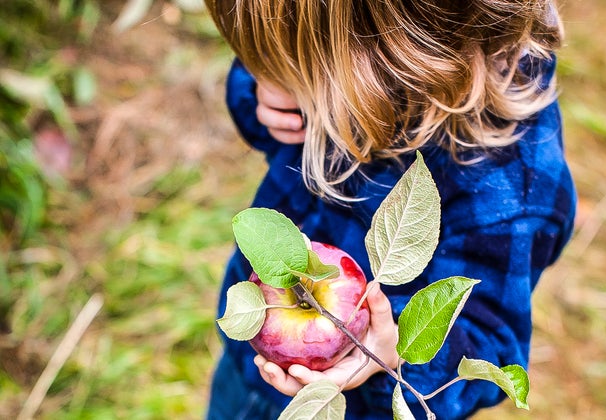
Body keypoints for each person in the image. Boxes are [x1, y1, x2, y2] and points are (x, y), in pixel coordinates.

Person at [204, 1, 576, 419]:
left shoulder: (507, 190)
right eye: (260, 63)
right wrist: (261, 93)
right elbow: (271, 124)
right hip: (248, 368)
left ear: (385, 58)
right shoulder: (333, 64)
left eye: (281, 68)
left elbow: (492, 344)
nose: (268, 78)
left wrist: (392, 355)